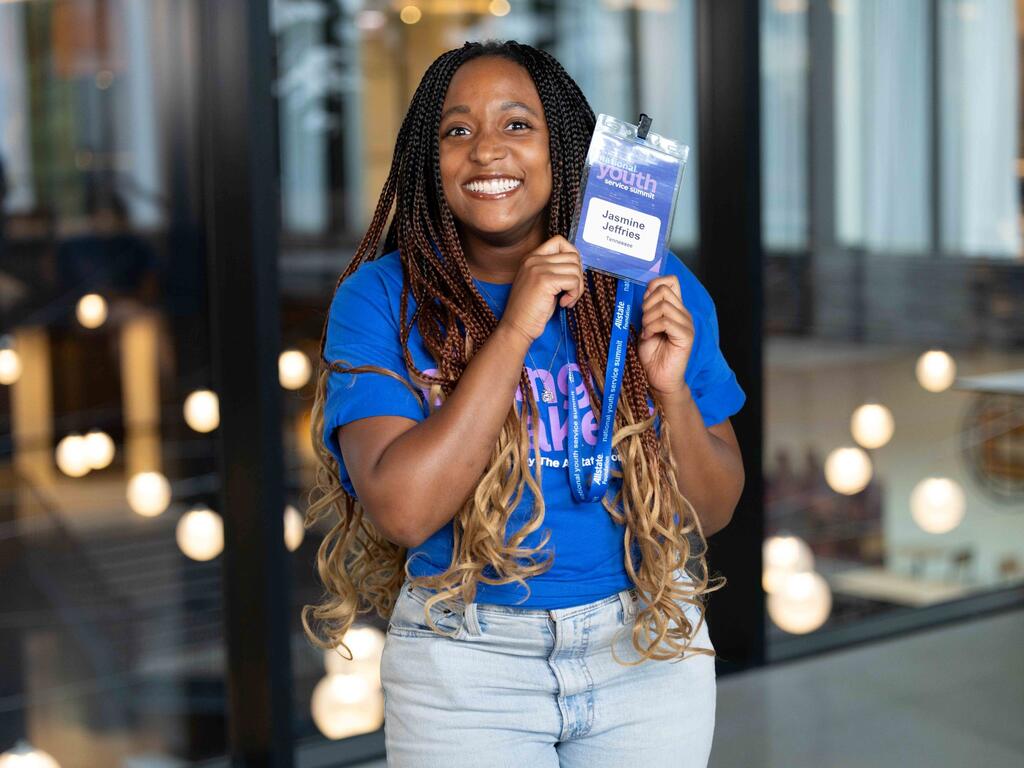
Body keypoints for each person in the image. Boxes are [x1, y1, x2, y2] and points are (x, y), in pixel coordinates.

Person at [303, 40, 746, 767]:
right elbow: (404, 508)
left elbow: (714, 508)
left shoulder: (645, 285)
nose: (485, 151)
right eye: (456, 130)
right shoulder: (379, 299)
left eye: (516, 125)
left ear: (562, 147)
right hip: (466, 666)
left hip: (646, 646)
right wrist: (514, 331)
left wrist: (670, 391)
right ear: (429, 158)